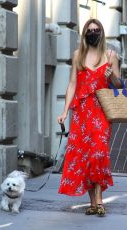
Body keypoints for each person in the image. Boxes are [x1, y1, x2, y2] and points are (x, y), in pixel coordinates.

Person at [57, 18, 121, 217]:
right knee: (86, 158)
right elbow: (72, 85)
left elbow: (119, 86)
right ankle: (93, 203)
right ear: (85, 34)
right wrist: (65, 110)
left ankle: (100, 202)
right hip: (82, 114)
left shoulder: (110, 55)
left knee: (98, 154)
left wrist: (111, 76)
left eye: (96, 30)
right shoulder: (78, 55)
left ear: (101, 33)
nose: (93, 33)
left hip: (101, 112)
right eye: (90, 30)